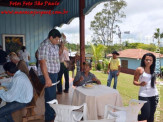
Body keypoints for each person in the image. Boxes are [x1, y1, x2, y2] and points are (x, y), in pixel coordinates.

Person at [37, 29, 61, 122]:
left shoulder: (53, 45)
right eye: (56, 39)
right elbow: (43, 62)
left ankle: (51, 115)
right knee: (50, 97)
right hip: (48, 75)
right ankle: (49, 118)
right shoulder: (45, 46)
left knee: (52, 96)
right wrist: (47, 79)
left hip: (53, 74)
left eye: (58, 39)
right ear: (51, 37)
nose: (57, 41)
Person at [133, 53, 159, 122]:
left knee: (151, 116)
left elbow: (151, 80)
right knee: (145, 115)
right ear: (144, 60)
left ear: (153, 61)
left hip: (154, 95)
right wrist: (140, 83)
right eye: (147, 59)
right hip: (143, 95)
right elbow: (134, 81)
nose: (148, 61)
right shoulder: (140, 69)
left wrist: (155, 82)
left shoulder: (153, 70)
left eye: (150, 60)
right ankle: (131, 117)